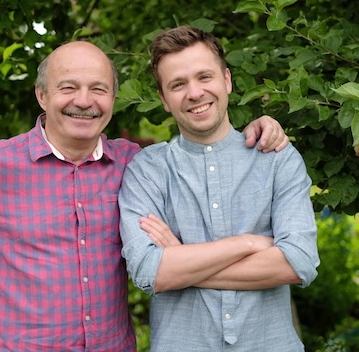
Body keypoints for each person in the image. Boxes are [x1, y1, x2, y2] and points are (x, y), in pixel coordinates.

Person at [0, 39, 289, 351]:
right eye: (68, 87)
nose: (83, 101)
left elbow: (202, 142)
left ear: (112, 98)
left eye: (98, 89)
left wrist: (261, 127)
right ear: (42, 95)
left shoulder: (135, 164)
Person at [118, 26, 320, 351]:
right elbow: (148, 271)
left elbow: (298, 262)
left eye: (204, 77)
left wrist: (180, 264)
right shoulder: (147, 170)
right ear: (164, 100)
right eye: (178, 84)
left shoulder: (276, 159)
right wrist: (249, 242)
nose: (195, 93)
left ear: (227, 80)